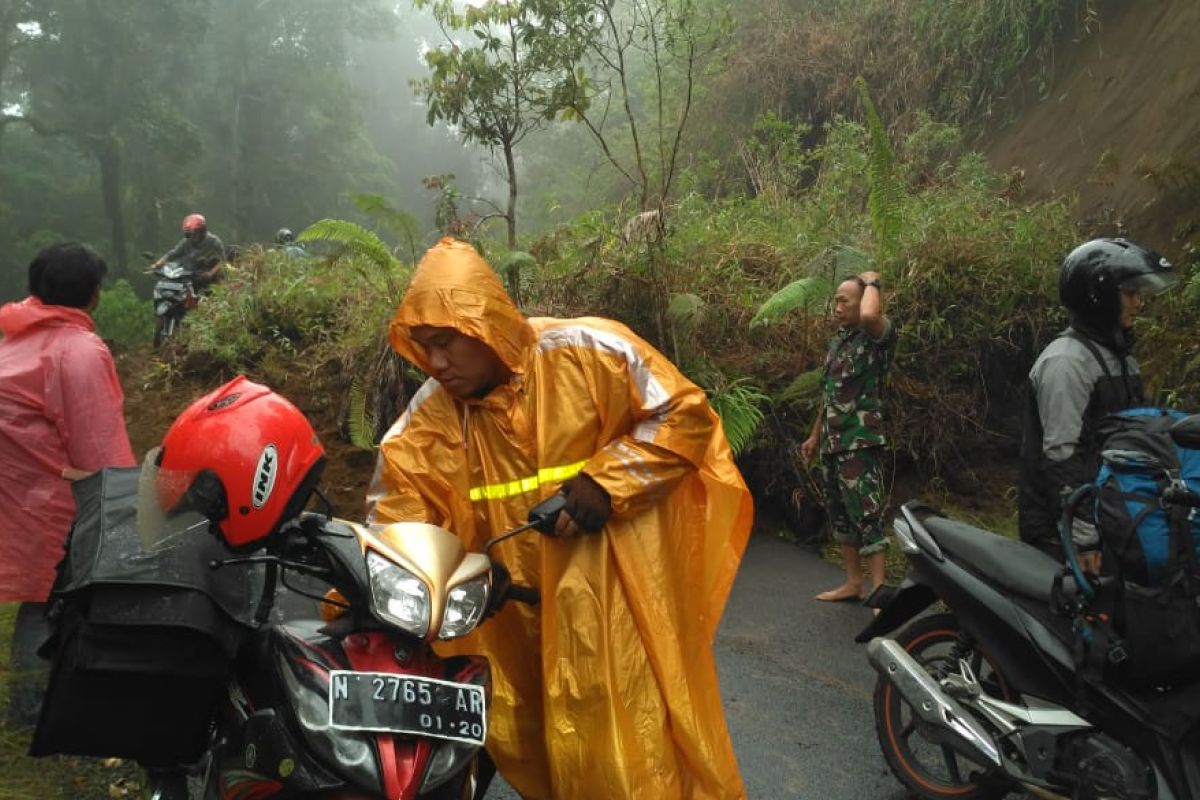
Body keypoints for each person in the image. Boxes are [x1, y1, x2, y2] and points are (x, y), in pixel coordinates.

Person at [365, 238, 753, 800]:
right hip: (507, 624)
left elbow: (683, 414)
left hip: (605, 606)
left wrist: (607, 482)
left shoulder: (589, 351)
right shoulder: (427, 421)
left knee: (628, 758)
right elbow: (394, 526)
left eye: (445, 343)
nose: (436, 363)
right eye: (423, 348)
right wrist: (456, 575)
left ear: (483, 326)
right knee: (531, 747)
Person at [0, 242, 136, 724]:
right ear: (94, 294)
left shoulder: (13, 340)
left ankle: (30, 706)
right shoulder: (76, 350)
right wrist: (125, 503)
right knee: (55, 599)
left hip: (17, 495)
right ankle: (37, 713)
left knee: (42, 596)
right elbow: (97, 442)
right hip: (51, 500)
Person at [1018, 238, 1176, 565]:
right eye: (1130, 293)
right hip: (1061, 531)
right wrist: (1083, 538)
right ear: (1100, 298)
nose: (1138, 302)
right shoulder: (1066, 363)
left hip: (1113, 515)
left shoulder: (1120, 358)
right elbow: (1063, 456)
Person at [801, 271, 897, 602]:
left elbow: (871, 314)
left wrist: (871, 283)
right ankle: (854, 583)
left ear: (862, 303)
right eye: (835, 300)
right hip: (833, 442)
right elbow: (829, 394)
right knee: (840, 514)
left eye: (844, 300)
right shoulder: (838, 341)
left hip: (860, 442)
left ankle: (879, 594)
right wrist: (815, 436)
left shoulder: (876, 336)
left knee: (867, 515)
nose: (836, 306)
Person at [150, 213, 226, 290]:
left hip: (210, 277)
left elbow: (223, 261)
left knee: (217, 288)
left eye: (195, 233)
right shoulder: (186, 242)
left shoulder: (214, 241)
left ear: (202, 231)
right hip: (189, 276)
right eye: (189, 234)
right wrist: (157, 264)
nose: (192, 236)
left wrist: (211, 273)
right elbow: (172, 254)